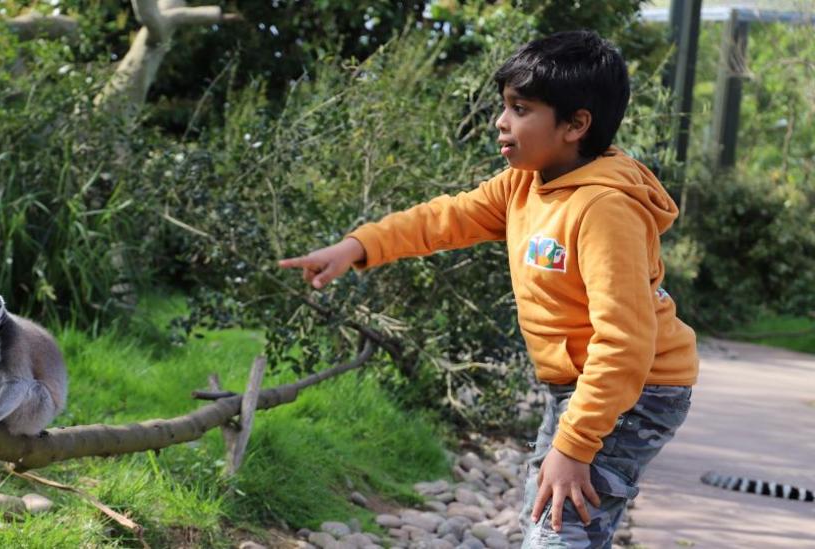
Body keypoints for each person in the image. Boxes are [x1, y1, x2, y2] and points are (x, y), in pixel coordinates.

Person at [278, 30, 698, 548]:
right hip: (582, 384)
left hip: (637, 389)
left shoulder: (604, 210)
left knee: (561, 527)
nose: (501, 121)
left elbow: (625, 344)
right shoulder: (525, 183)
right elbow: (443, 218)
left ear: (576, 124)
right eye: (505, 106)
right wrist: (357, 247)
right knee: (542, 512)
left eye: (520, 109)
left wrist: (576, 443)